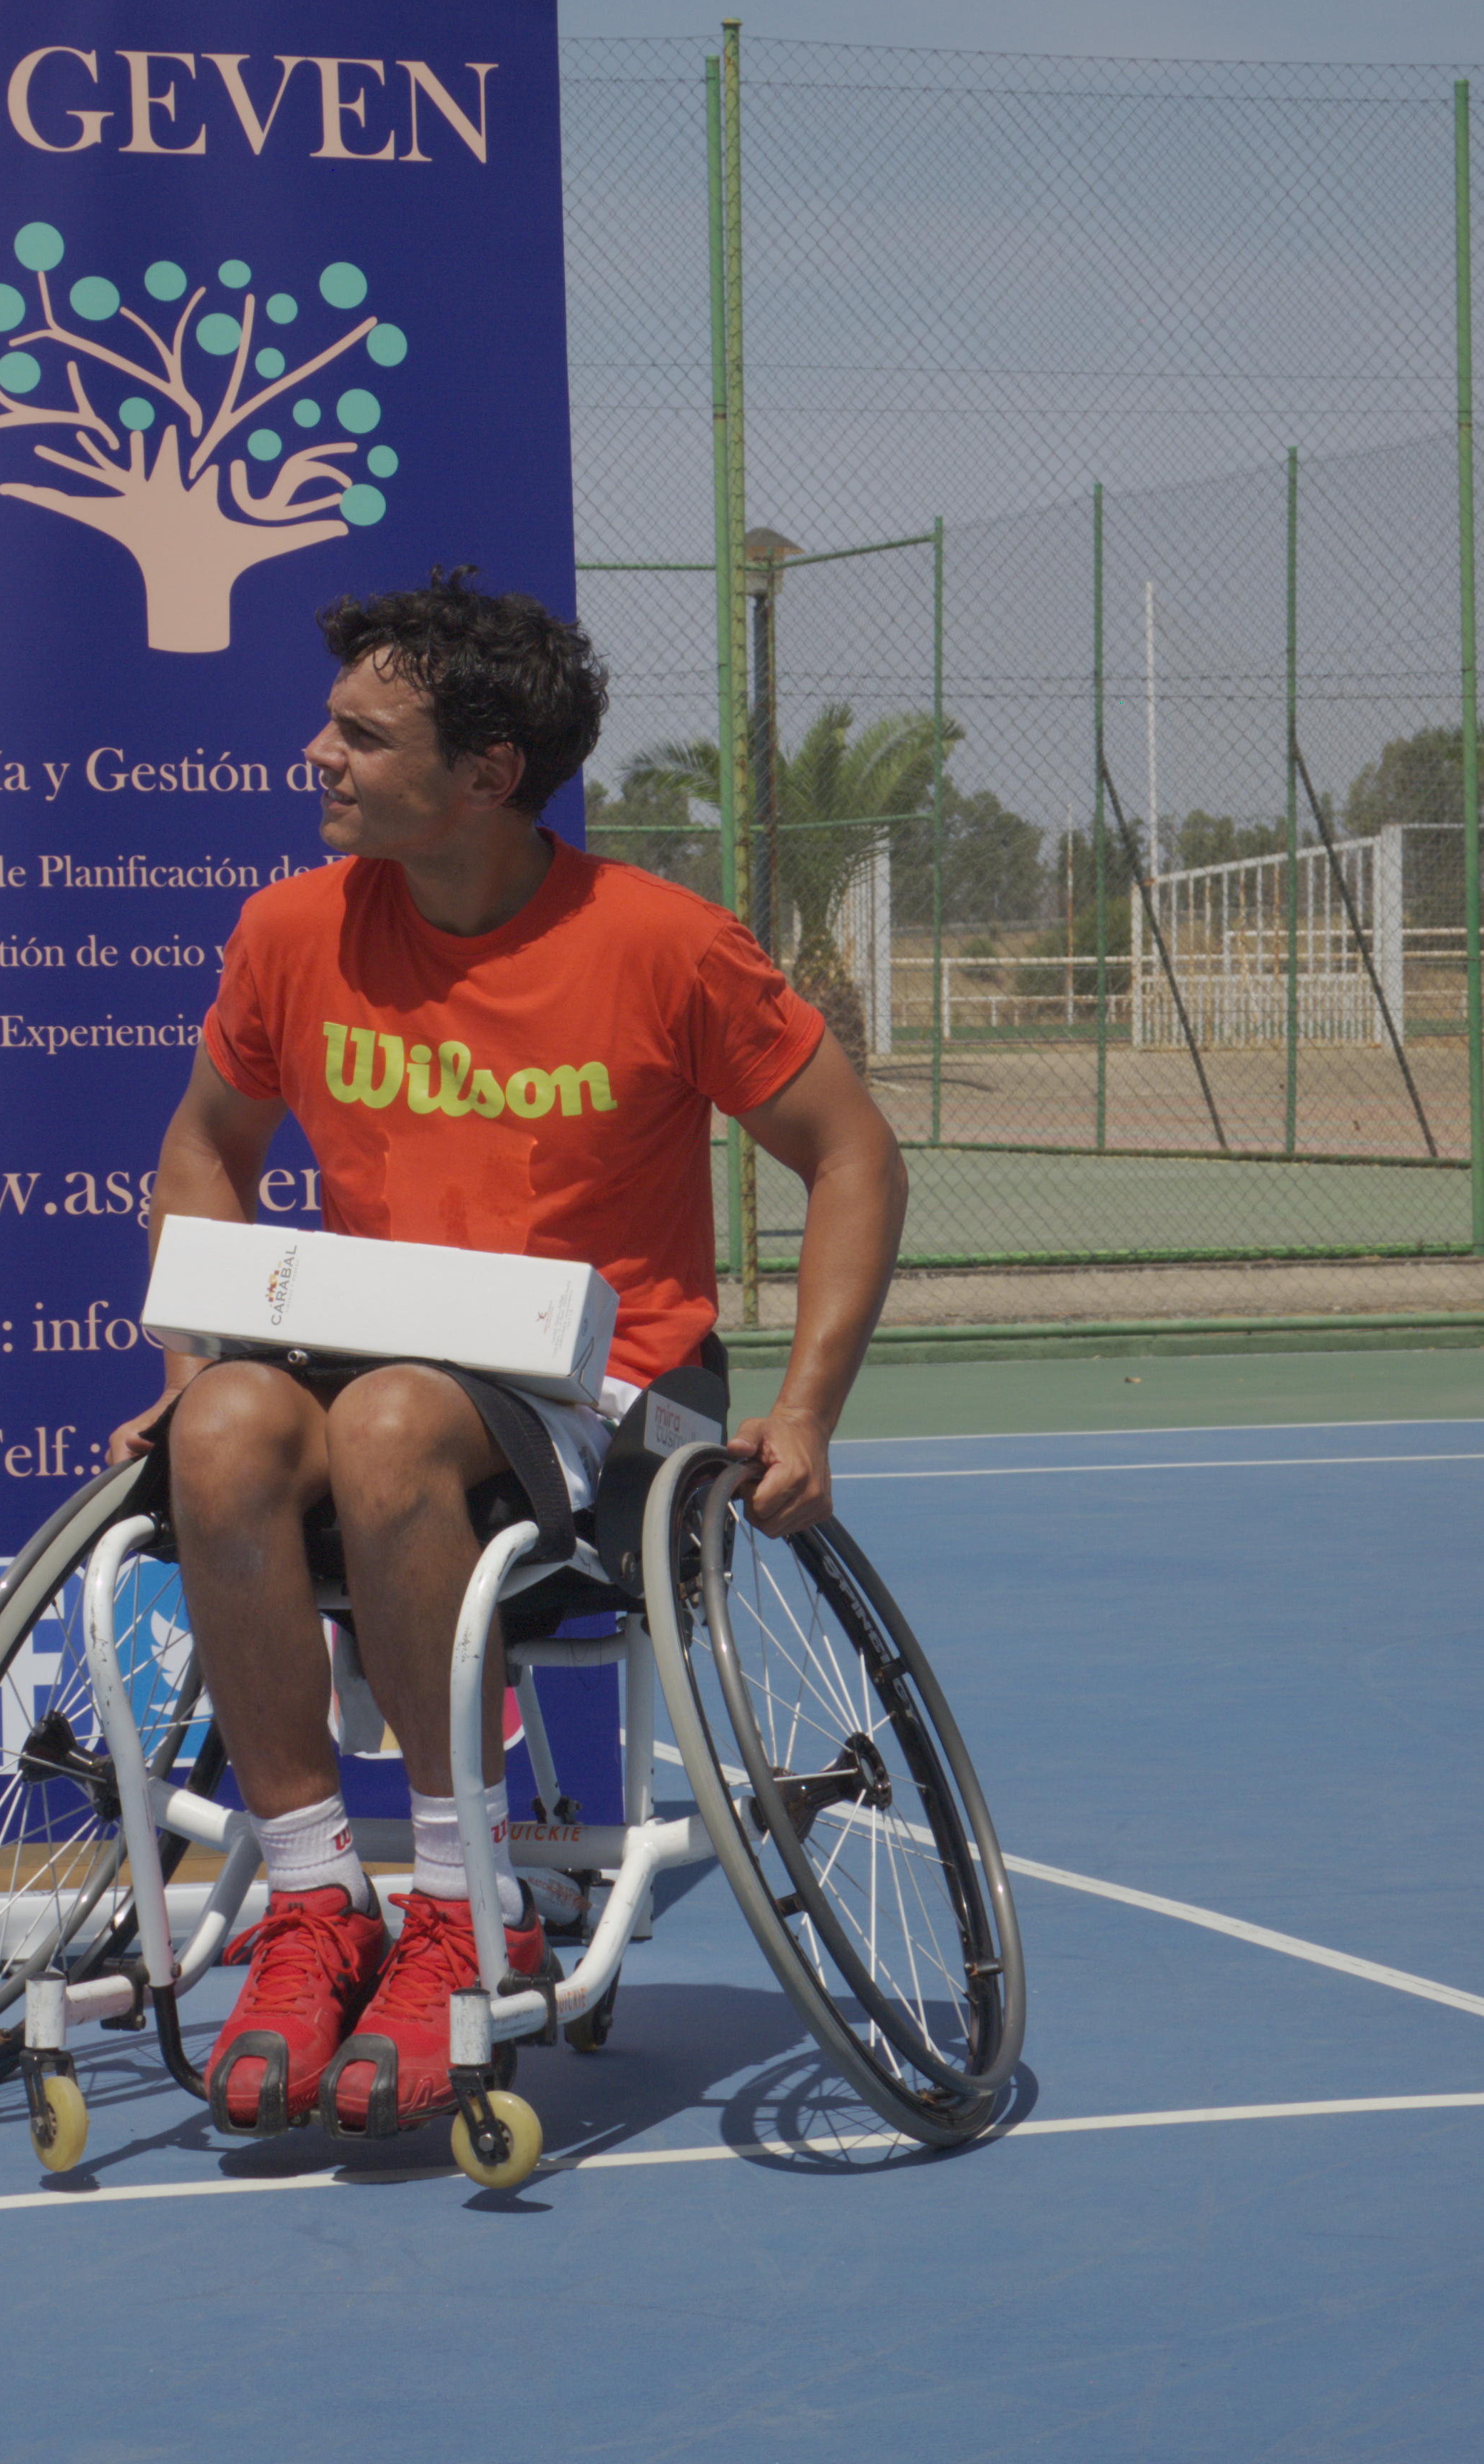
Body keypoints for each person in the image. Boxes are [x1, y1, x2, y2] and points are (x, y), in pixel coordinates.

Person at [107, 569, 908, 2141]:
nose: (318, 755)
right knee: (221, 1432)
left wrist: (809, 1409)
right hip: (380, 1362)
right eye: (331, 724)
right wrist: (198, 1356)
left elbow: (854, 1153)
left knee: (392, 1424)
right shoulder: (291, 930)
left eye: (362, 735)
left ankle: (464, 1909)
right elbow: (204, 1147)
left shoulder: (663, 945)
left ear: (486, 774)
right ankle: (314, 1902)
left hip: (613, 1393)